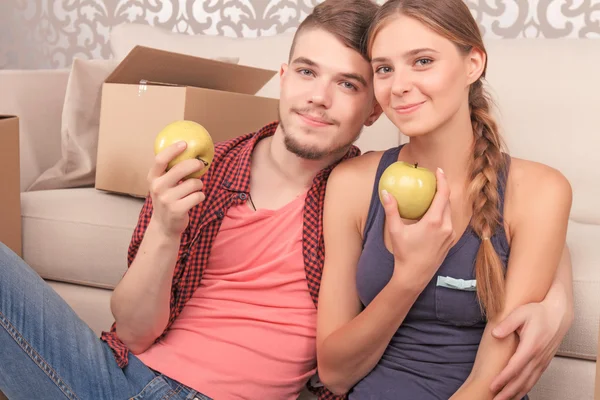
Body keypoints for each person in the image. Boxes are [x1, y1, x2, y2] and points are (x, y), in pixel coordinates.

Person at [0, 1, 571, 400]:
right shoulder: (206, 168)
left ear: (371, 108)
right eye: (306, 72)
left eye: (348, 83)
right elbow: (132, 331)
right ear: (283, 76)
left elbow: (508, 215)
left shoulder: (353, 186)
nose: (318, 99)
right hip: (125, 373)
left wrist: (556, 294)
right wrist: (166, 229)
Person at [315, 1, 574, 400]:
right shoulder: (352, 182)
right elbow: (334, 373)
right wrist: (410, 275)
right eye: (384, 68)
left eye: (421, 61)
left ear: (473, 64)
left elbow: (491, 381)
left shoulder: (541, 190)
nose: (398, 85)